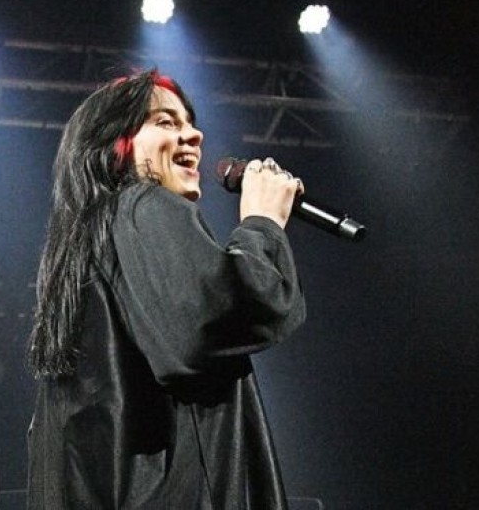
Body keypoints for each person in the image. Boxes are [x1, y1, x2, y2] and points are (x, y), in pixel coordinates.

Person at [26, 69, 306, 509]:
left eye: (190, 123)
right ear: (114, 144)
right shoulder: (142, 206)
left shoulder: (82, 249)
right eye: (165, 122)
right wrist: (262, 224)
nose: (194, 135)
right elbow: (216, 318)